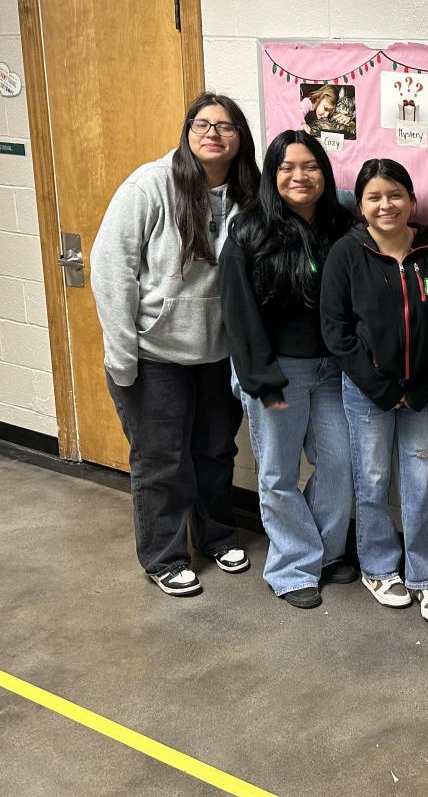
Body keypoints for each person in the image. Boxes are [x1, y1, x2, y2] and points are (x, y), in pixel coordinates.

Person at [92, 92, 260, 597]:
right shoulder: (150, 185)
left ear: (240, 138)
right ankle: (163, 557)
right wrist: (122, 355)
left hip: (217, 354)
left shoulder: (249, 193)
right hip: (154, 355)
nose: (213, 133)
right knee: (161, 459)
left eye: (225, 126)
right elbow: (111, 269)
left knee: (215, 451)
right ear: (187, 132)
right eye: (201, 124)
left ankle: (216, 536)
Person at [320, 159, 428, 624]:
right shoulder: (347, 253)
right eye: (375, 197)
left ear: (412, 200)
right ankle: (379, 569)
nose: (387, 205)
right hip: (367, 394)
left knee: (422, 483)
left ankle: (426, 577)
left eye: (395, 194)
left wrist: (421, 387)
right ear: (361, 206)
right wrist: (380, 388)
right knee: (373, 480)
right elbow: (336, 330)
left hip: (422, 394)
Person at [219, 129, 356, 610]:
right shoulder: (248, 231)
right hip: (279, 372)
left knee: (340, 464)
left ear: (324, 172)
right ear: (271, 176)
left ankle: (326, 552)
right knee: (278, 474)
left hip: (334, 370)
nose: (300, 176)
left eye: (310, 166)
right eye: (287, 168)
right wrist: (261, 379)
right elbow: (238, 313)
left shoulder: (342, 225)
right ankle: (292, 567)